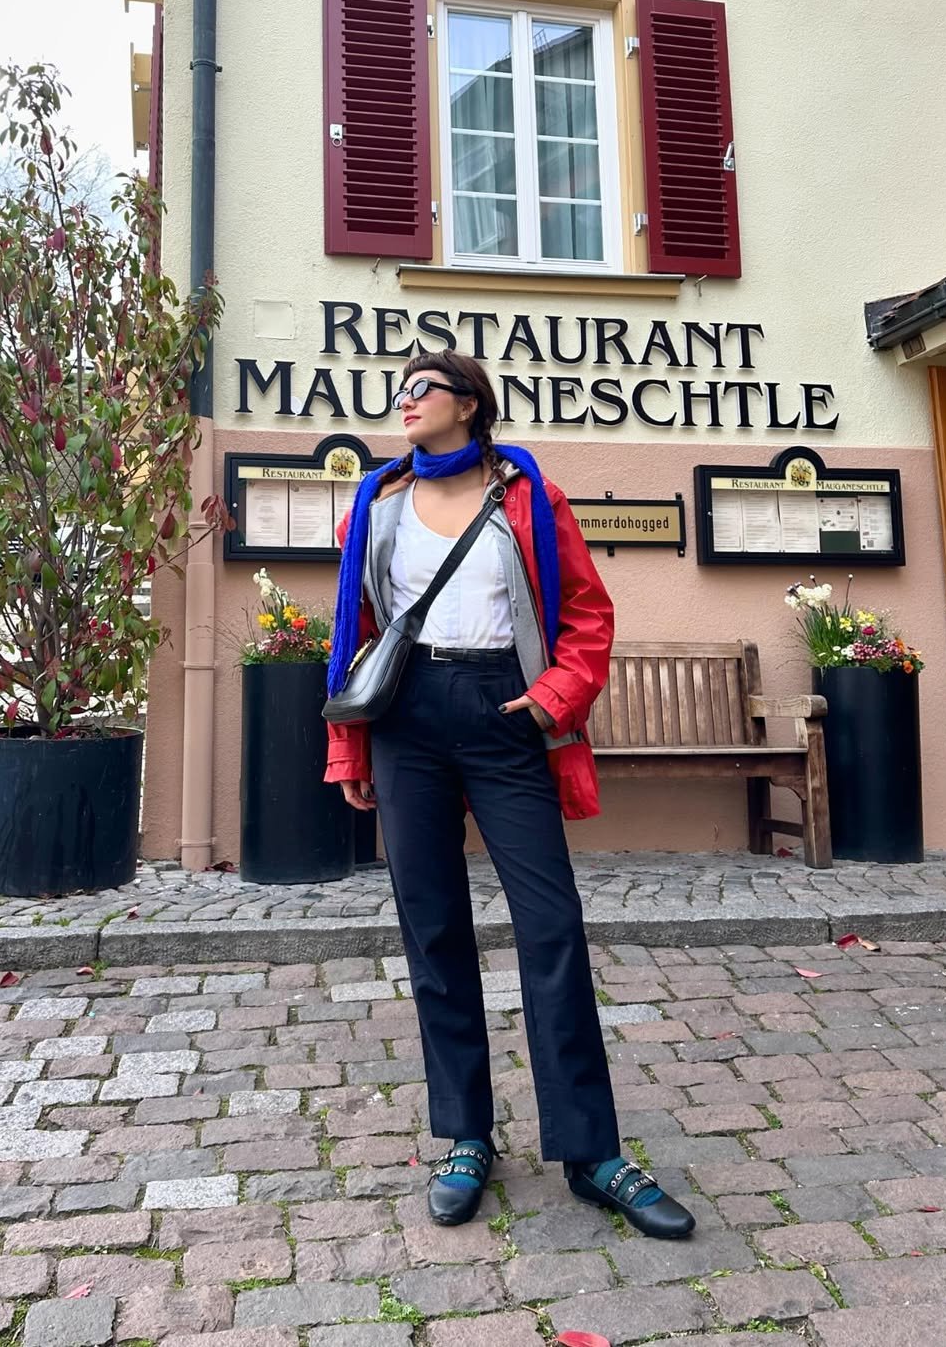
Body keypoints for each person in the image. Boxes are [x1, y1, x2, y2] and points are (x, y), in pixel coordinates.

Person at [324, 350, 694, 1240]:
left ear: (470, 403)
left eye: (422, 389)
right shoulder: (375, 504)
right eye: (399, 392)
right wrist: (353, 749)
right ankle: (463, 1137)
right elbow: (357, 630)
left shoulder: (528, 493)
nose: (404, 403)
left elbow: (587, 614)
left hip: (505, 717)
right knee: (433, 927)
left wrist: (554, 700)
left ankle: (592, 1151)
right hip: (408, 720)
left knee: (552, 925)